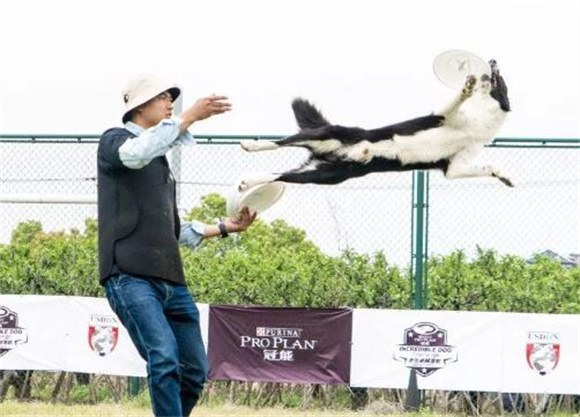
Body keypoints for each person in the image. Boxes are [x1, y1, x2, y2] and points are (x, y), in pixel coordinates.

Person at [97, 74, 256, 417]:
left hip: (171, 283)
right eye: (163, 98)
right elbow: (137, 152)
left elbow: (174, 230)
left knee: (194, 372)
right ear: (139, 106)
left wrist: (227, 227)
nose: (171, 104)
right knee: (164, 358)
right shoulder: (115, 143)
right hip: (129, 276)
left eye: (173, 99)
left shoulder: (160, 165)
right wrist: (190, 118)